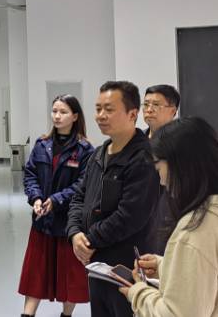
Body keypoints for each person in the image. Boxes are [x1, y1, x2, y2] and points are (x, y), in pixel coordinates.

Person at [120, 117, 218, 317]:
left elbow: (176, 314)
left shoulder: (197, 230)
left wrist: (138, 293)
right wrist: (168, 265)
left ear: (179, 165)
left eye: (159, 168)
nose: (161, 180)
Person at [66, 81, 160, 317]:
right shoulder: (99, 154)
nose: (100, 115)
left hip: (128, 266)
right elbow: (79, 197)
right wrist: (74, 233)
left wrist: (89, 240)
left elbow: (130, 216)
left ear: (132, 114)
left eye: (109, 109)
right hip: (97, 264)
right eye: (98, 109)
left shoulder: (143, 158)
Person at [19, 95, 96, 317]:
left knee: (69, 277)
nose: (57, 116)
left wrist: (56, 200)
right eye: (54, 111)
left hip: (68, 225)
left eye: (63, 112)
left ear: (75, 116)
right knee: (35, 275)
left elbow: (83, 185)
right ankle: (27, 314)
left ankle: (66, 314)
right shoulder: (42, 144)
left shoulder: (85, 150)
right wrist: (36, 198)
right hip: (42, 222)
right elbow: (30, 174)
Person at [141, 84, 180, 255]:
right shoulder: (136, 141)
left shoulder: (182, 142)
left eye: (156, 105)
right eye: (146, 104)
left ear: (173, 111)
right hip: (138, 217)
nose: (149, 109)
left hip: (169, 215)